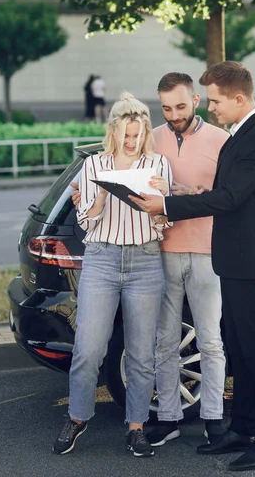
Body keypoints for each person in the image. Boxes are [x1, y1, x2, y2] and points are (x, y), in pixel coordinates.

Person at [130, 61, 255, 472]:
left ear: (239, 98)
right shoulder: (242, 133)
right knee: (237, 347)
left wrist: (168, 204)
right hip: (231, 258)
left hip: (251, 259)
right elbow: (221, 192)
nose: (211, 109)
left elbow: (230, 198)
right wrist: (184, 191)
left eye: (215, 101)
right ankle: (243, 430)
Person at [71, 73, 229, 445]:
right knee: (124, 346)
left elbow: (181, 213)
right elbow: (92, 208)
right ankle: (98, 418)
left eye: (180, 106)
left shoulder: (190, 152)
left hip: (176, 254)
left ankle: (176, 423)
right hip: (131, 255)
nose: (132, 141)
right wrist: (95, 195)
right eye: (167, 108)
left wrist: (175, 198)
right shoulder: (121, 152)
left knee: (179, 346)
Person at [53, 92, 172, 458]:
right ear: (114, 132)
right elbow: (87, 222)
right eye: (126, 136)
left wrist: (164, 202)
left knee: (140, 352)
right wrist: (103, 195)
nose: (132, 142)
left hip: (146, 261)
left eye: (138, 135)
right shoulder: (94, 166)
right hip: (102, 260)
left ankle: (135, 428)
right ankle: (77, 418)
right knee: (88, 348)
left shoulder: (158, 165)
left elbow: (165, 223)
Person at [146, 73, 229, 447]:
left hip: (209, 250)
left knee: (210, 340)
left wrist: (191, 194)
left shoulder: (221, 139)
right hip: (163, 251)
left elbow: (230, 196)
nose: (173, 114)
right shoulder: (152, 138)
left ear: (196, 100)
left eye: (180, 106)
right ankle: (168, 417)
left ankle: (213, 417)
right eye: (166, 108)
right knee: (165, 340)